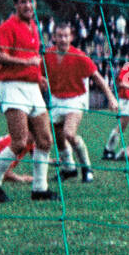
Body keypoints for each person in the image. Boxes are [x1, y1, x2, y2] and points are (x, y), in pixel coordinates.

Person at [0, 0, 54, 203]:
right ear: (15, 5)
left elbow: (33, 59)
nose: (28, 6)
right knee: (19, 141)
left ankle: (39, 189)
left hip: (32, 88)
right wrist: (25, 63)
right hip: (13, 87)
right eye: (23, 2)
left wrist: (39, 76)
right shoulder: (7, 27)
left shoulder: (34, 27)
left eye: (31, 1)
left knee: (44, 140)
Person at [44, 24, 117, 182]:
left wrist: (111, 98)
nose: (63, 39)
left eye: (66, 36)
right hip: (56, 99)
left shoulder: (80, 56)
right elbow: (39, 75)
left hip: (76, 99)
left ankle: (87, 168)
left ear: (71, 37)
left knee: (69, 133)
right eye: (59, 36)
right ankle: (69, 168)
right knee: (58, 138)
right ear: (54, 37)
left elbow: (97, 77)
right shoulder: (47, 55)